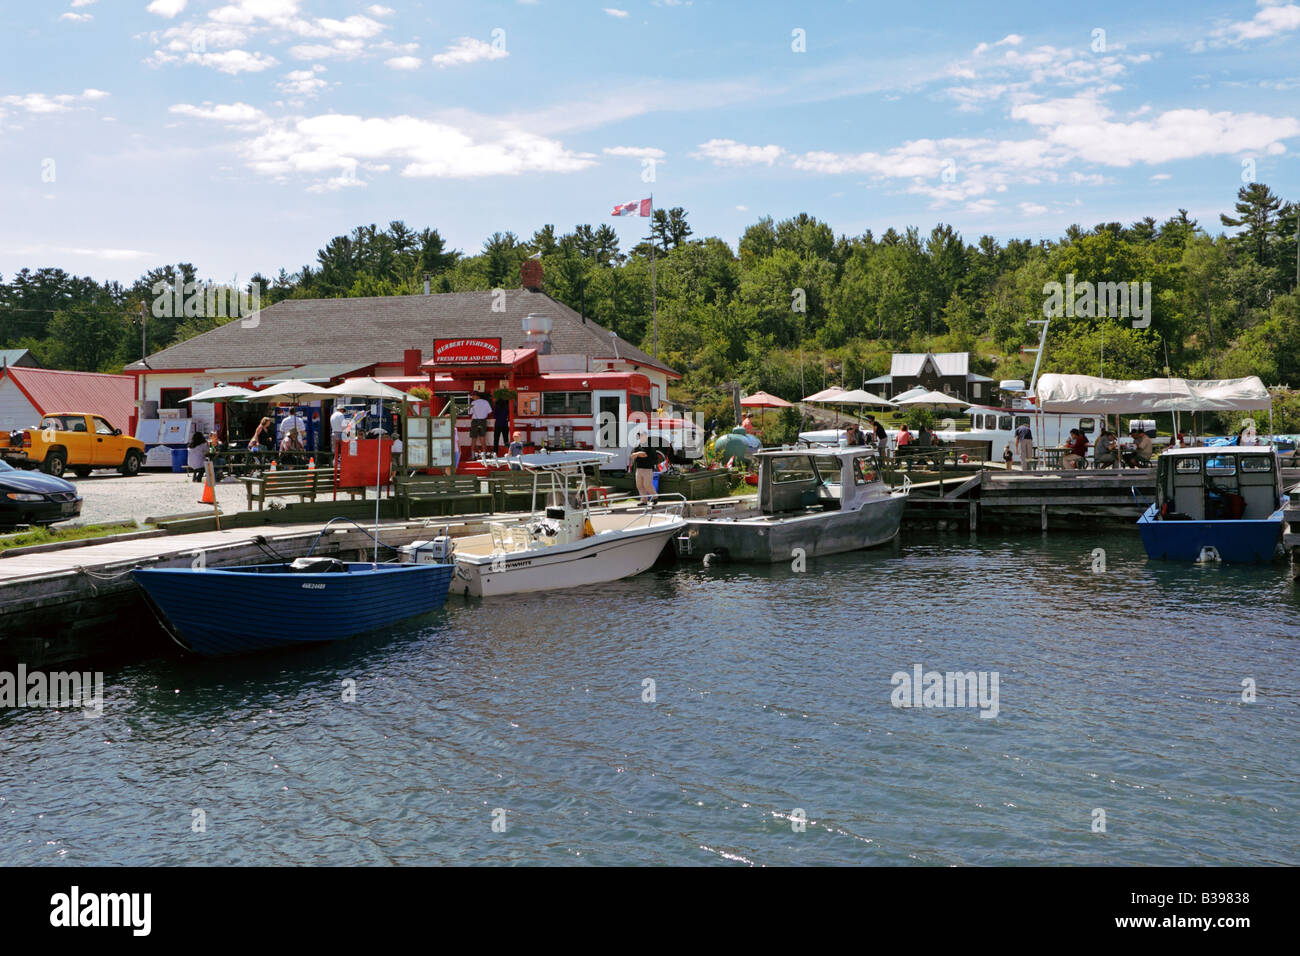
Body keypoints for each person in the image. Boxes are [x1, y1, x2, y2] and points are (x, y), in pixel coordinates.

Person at [629, 431, 657, 503]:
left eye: (642, 436)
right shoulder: (638, 446)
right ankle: (644, 501)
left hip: (647, 469)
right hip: (639, 468)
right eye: (639, 436)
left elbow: (644, 454)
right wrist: (638, 454)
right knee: (639, 486)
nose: (640, 437)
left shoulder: (649, 446)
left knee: (647, 485)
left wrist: (637, 454)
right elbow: (632, 455)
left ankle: (655, 497)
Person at [469, 391, 492, 457]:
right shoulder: (486, 402)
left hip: (475, 421)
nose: (472, 397)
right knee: (483, 438)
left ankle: (473, 455)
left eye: (473, 395)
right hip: (483, 421)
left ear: (476, 396)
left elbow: (470, 413)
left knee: (474, 438)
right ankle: (484, 454)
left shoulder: (473, 403)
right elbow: (489, 412)